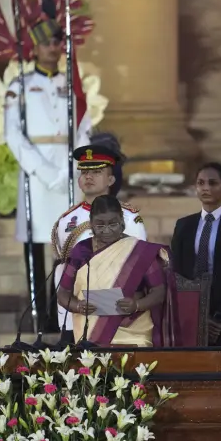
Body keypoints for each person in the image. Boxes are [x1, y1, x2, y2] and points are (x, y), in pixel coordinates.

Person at [5, 0, 92, 332]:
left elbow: (83, 129)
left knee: (68, 241)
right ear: (35, 48)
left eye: (57, 43)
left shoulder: (71, 84)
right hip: (37, 174)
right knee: (38, 244)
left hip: (68, 169)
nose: (53, 49)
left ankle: (65, 312)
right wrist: (44, 171)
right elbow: (14, 135)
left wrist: (72, 167)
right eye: (46, 44)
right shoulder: (20, 86)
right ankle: (41, 316)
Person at [170, 162, 221, 441]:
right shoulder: (184, 225)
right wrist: (194, 317)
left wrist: (218, 317)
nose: (205, 188)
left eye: (212, 182)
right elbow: (177, 276)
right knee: (192, 394)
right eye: (200, 182)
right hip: (191, 322)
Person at [52, 138, 146, 338]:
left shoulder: (129, 219)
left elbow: (138, 268)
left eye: (96, 172)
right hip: (74, 311)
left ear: (111, 180)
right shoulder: (66, 220)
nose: (89, 177)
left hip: (115, 314)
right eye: (85, 172)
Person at [56, 195, 178, 347]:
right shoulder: (81, 251)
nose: (106, 230)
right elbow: (63, 294)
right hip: (91, 332)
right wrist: (78, 306)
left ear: (122, 221)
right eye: (100, 225)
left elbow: (159, 291)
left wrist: (137, 305)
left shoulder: (139, 251)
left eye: (113, 224)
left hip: (133, 330)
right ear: (91, 224)